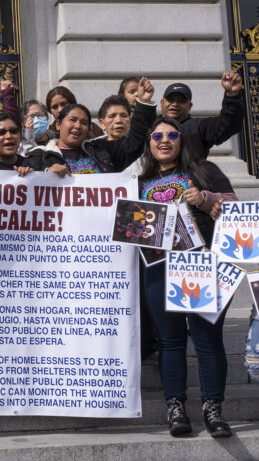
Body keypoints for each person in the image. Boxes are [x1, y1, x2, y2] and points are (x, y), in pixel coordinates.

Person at [137, 117, 238, 438]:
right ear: (149, 143)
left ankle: (213, 409)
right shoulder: (137, 182)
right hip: (157, 269)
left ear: (181, 140)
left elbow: (236, 207)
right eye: (157, 135)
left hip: (199, 265)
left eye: (171, 134)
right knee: (170, 341)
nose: (164, 140)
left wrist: (206, 200)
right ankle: (176, 407)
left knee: (207, 340)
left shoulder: (204, 170)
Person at [23, 77, 156, 175]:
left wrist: (143, 103)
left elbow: (135, 143)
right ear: (58, 124)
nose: (78, 126)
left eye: (84, 122)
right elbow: (24, 185)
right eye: (72, 120)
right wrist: (45, 174)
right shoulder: (39, 156)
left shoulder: (102, 150)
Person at [159, 72, 245, 161]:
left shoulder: (200, 127)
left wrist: (232, 96)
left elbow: (228, 124)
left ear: (190, 106)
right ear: (162, 103)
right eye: (171, 100)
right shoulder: (151, 127)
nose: (175, 104)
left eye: (181, 101)